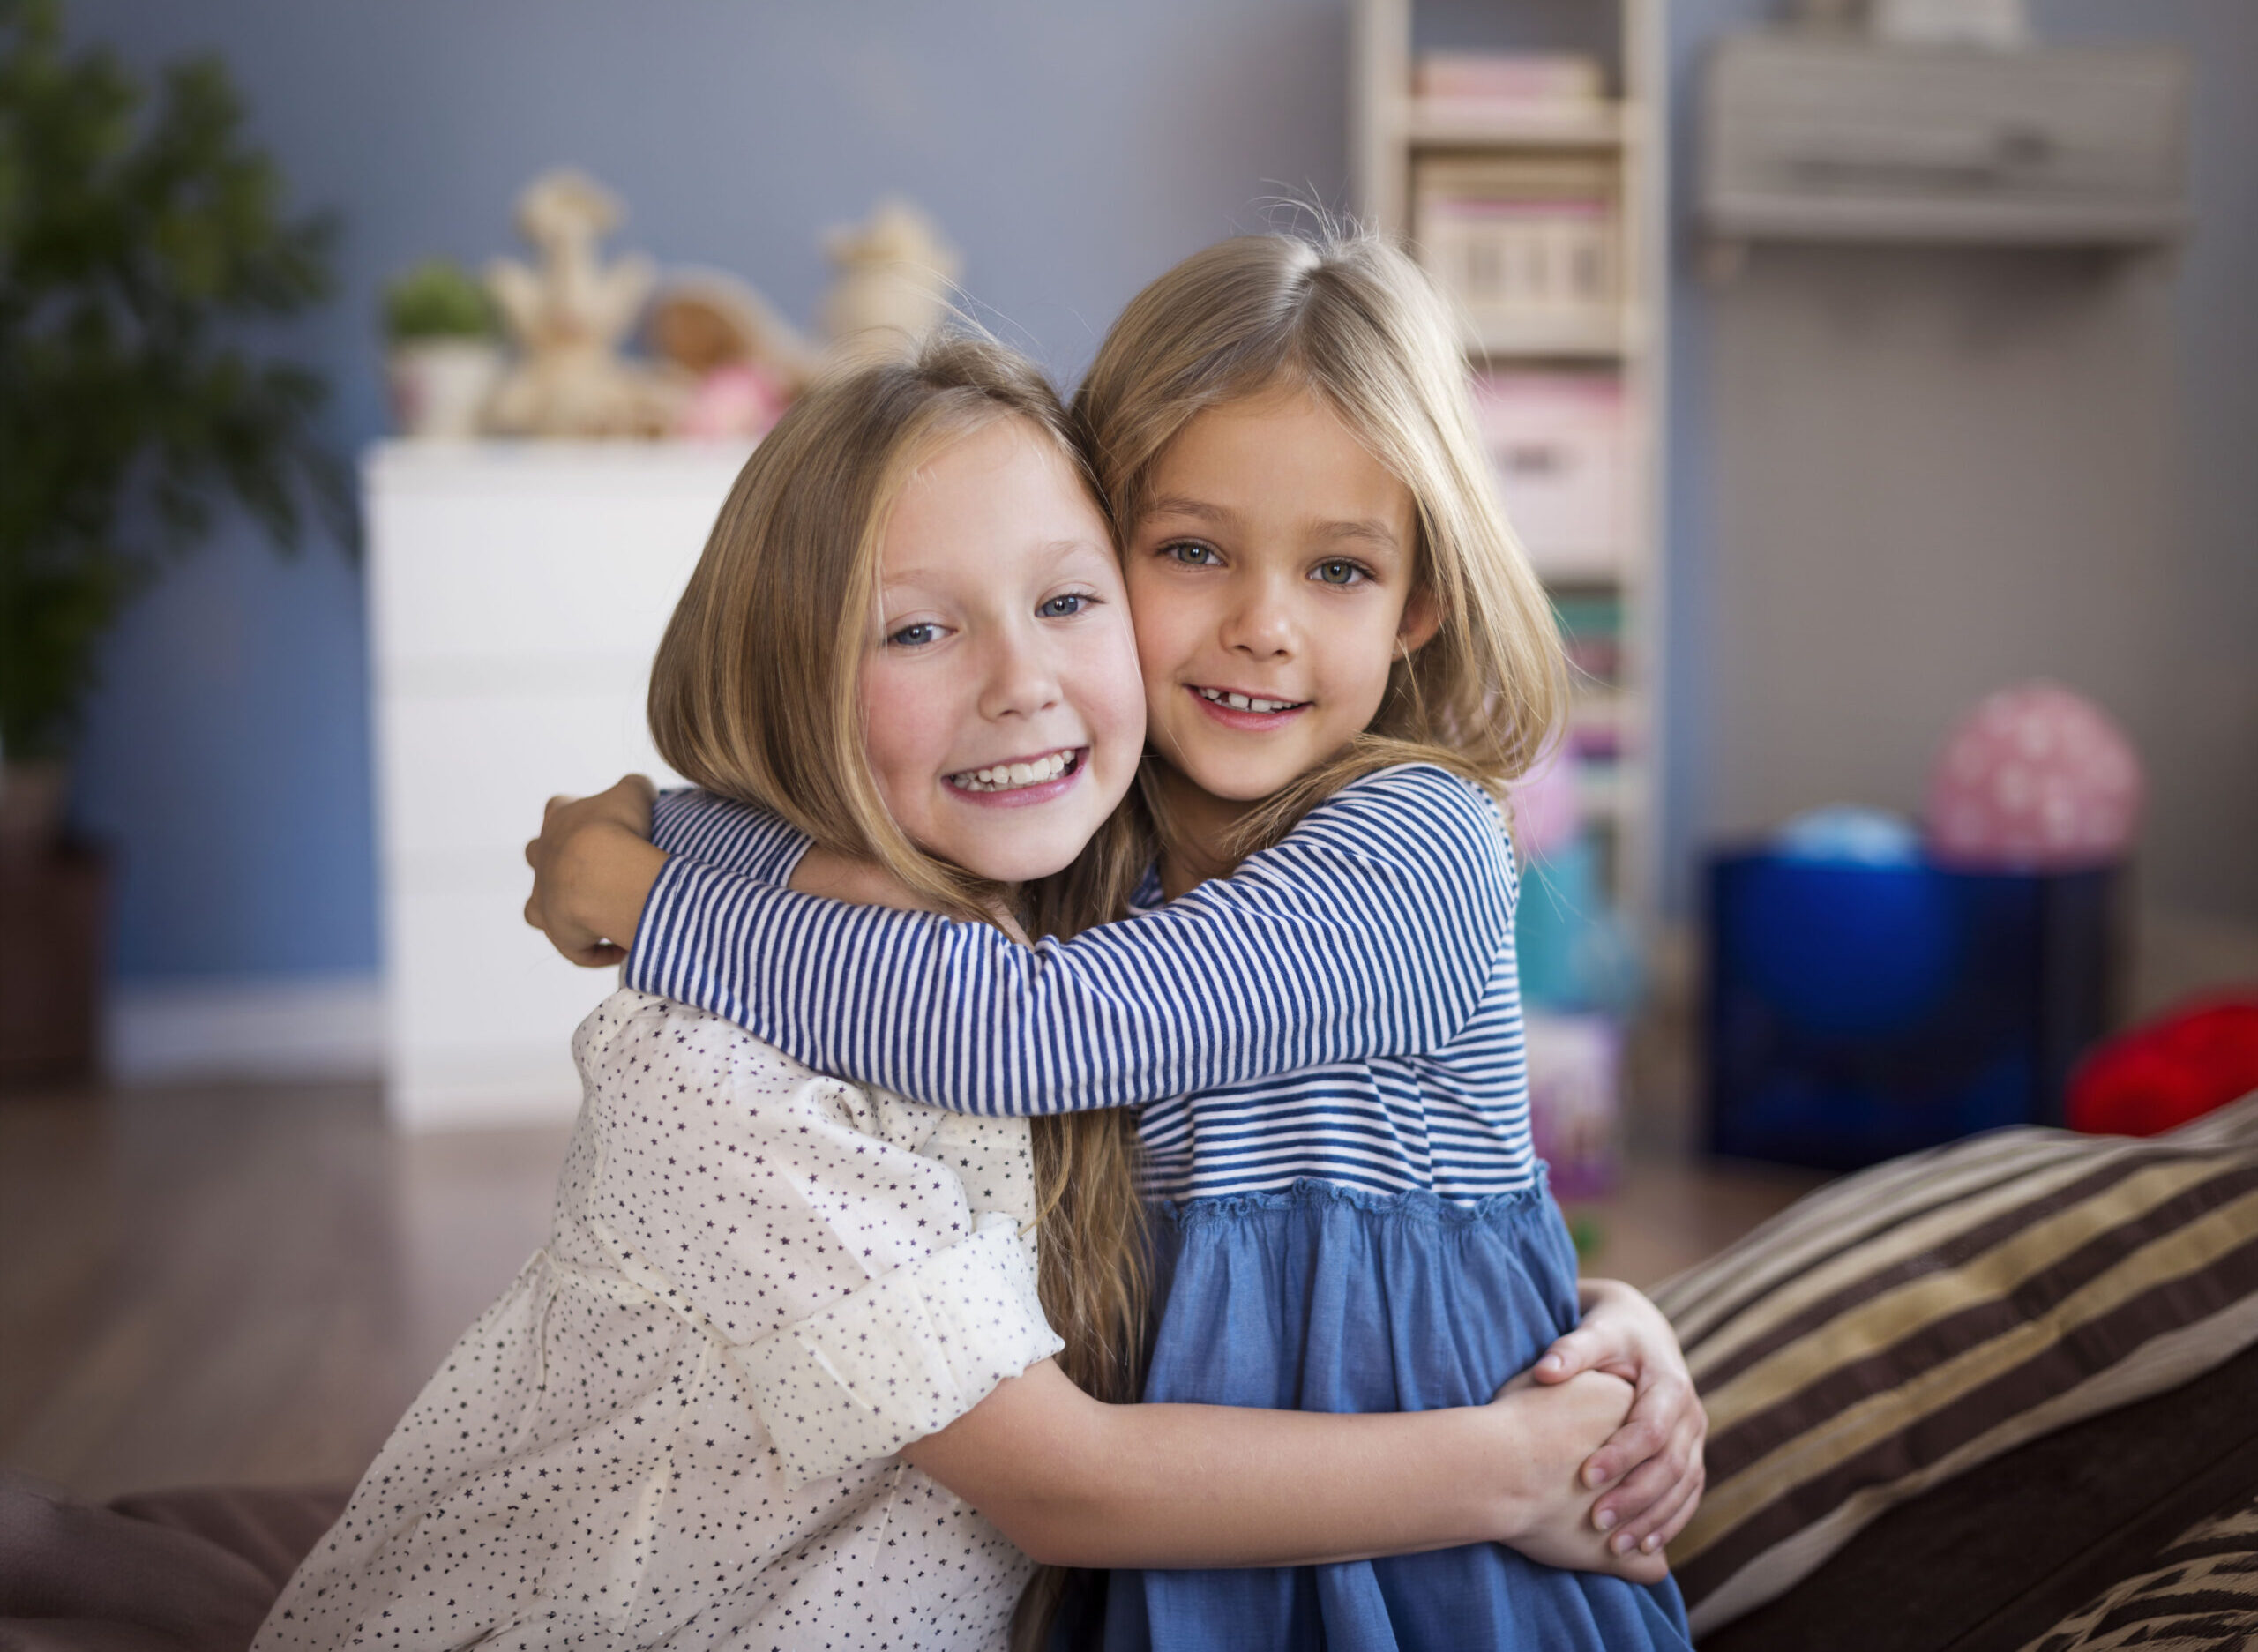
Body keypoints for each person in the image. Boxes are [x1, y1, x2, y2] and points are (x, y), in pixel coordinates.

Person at [258, 335, 1664, 1652]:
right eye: (1189, 550)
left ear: (1423, 594)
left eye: (1062, 602)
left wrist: (1605, 1338)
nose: (1261, 626)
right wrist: (648, 838)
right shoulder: (1067, 881)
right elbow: (865, 867)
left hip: (1421, 1536)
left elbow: (1023, 1017)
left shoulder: (1384, 846)